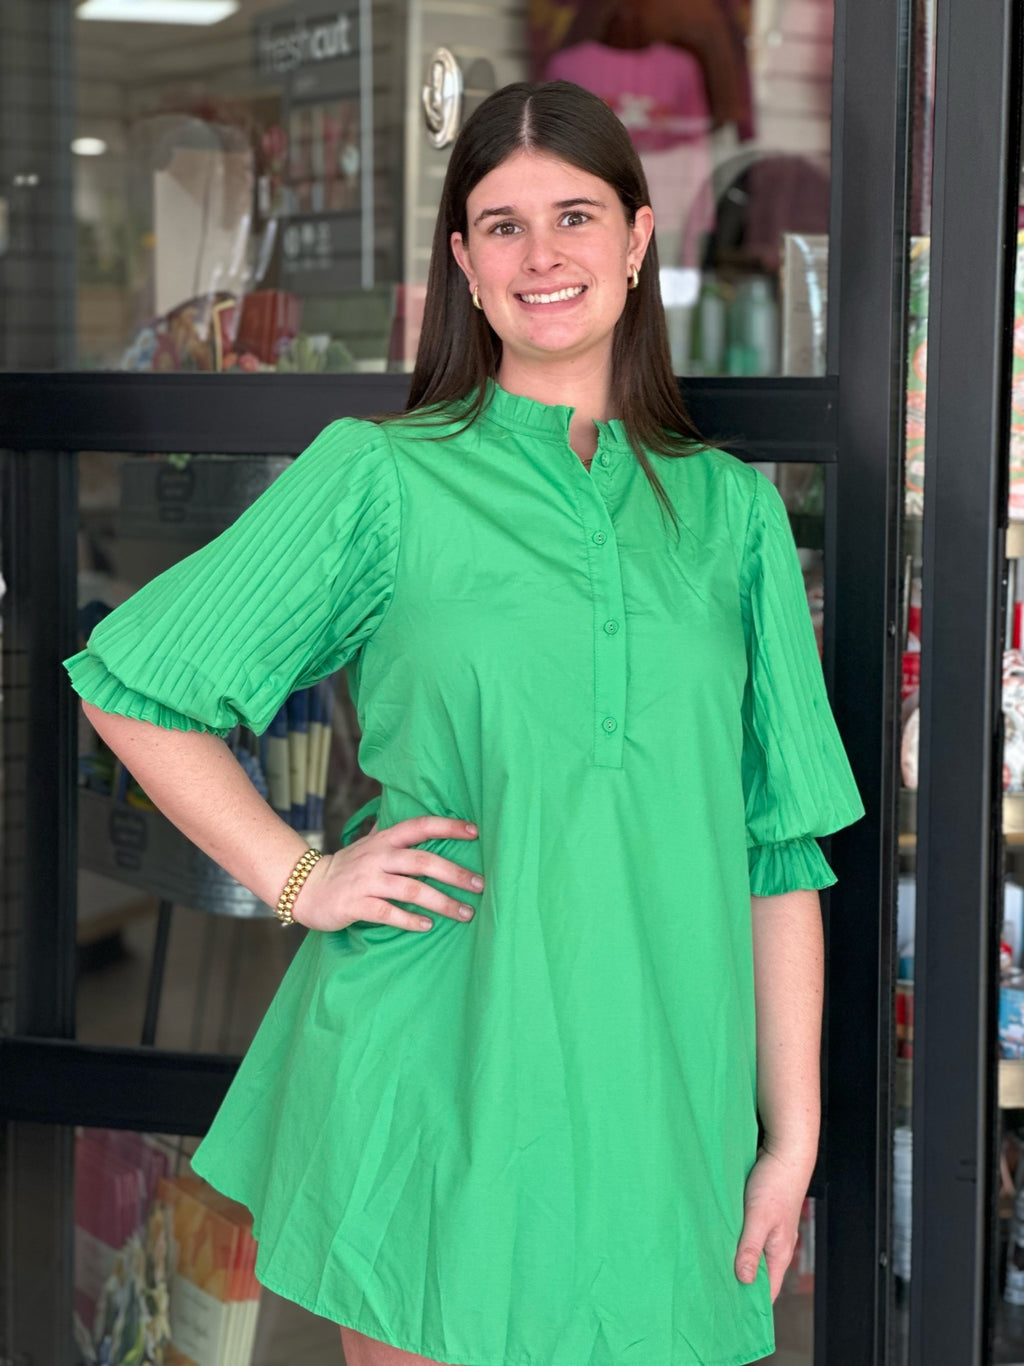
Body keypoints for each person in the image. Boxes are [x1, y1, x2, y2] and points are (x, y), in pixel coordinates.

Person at [64, 80, 865, 1366]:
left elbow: (779, 855)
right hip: (433, 1071)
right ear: (464, 264)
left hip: (662, 1103)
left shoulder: (734, 517)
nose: (541, 254)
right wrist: (300, 875)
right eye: (501, 225)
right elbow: (131, 685)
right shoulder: (381, 478)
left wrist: (792, 1139)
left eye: (574, 215)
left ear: (639, 238)